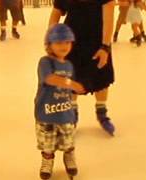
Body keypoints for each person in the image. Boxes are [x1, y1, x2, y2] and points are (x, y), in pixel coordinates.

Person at [48, 0, 116, 135]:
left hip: (97, 41)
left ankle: (101, 112)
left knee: (101, 76)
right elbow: (56, 12)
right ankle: (71, 114)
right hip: (71, 42)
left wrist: (105, 46)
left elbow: (109, 16)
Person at [34, 24, 85, 179]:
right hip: (46, 113)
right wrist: (72, 84)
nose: (64, 46)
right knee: (48, 144)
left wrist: (74, 107)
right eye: (59, 43)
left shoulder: (69, 65)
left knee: (69, 140)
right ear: (49, 45)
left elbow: (71, 92)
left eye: (67, 42)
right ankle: (47, 161)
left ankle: (69, 157)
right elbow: (49, 79)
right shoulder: (45, 62)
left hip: (65, 113)